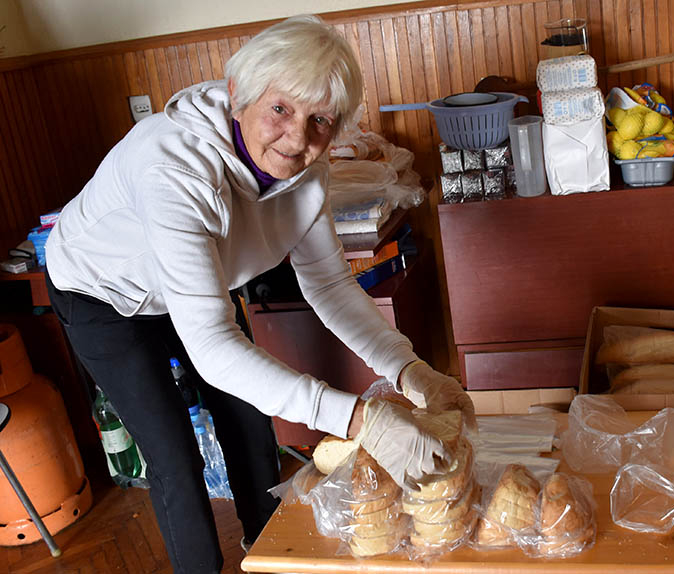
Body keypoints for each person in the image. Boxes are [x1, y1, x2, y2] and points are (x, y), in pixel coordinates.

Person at [44, 14, 474, 574]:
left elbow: (330, 285)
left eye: (320, 120)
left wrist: (409, 370)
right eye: (280, 109)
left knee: (249, 422)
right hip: (103, 292)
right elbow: (212, 344)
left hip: (198, 287)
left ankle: (266, 553)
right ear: (238, 95)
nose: (297, 139)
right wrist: (360, 420)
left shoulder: (308, 171)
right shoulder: (173, 167)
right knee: (174, 456)